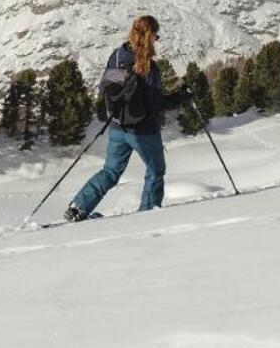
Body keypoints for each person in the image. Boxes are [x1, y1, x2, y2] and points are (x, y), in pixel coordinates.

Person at [65, 15, 188, 221]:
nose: (156, 40)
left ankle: (79, 207)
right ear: (150, 36)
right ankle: (148, 215)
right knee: (155, 171)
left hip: (116, 127)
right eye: (156, 36)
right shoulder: (149, 67)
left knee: (110, 172)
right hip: (143, 131)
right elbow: (157, 104)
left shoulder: (116, 55)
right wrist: (182, 96)